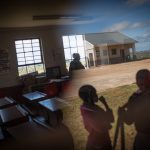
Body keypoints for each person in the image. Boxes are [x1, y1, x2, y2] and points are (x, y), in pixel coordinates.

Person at [118, 69, 150, 150]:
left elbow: (129, 120)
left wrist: (122, 113)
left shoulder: (135, 99)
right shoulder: (135, 97)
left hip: (144, 138)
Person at [79, 85, 114, 150]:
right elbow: (101, 128)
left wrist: (105, 103)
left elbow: (111, 119)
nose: (96, 95)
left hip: (104, 141)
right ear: (88, 97)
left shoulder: (94, 107)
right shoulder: (86, 111)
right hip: (97, 145)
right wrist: (107, 125)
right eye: (94, 94)